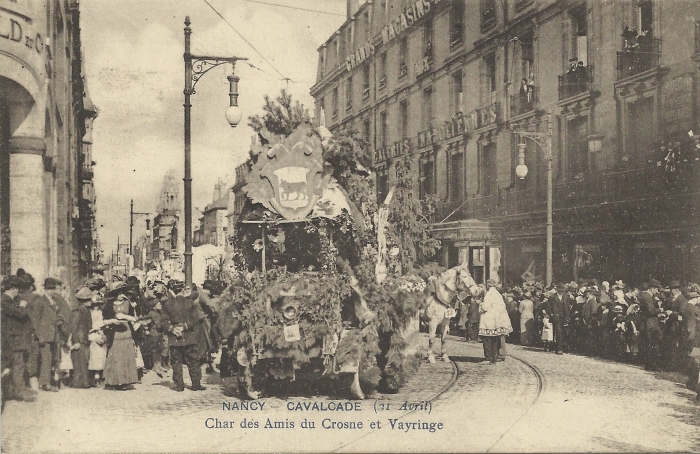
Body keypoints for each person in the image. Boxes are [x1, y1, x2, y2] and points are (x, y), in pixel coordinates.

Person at [162, 280, 207, 391]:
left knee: (176, 361)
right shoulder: (190, 303)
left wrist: (172, 329)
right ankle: (196, 384)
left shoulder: (167, 304)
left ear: (171, 290)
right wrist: (185, 327)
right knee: (193, 360)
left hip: (175, 336)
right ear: (182, 290)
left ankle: (179, 385)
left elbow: (163, 321)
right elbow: (195, 319)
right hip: (189, 335)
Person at [2, 275, 37, 402]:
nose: (18, 292)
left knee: (16, 365)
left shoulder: (10, 300)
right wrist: (22, 306)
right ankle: (19, 392)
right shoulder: (5, 301)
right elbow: (21, 314)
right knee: (17, 365)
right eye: (17, 289)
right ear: (12, 288)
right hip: (12, 340)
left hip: (15, 339)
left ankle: (13, 391)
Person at [102, 284, 139, 390]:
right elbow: (104, 320)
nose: (122, 295)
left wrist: (125, 317)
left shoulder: (128, 304)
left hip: (127, 333)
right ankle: (113, 382)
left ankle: (125, 382)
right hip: (115, 334)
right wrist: (113, 321)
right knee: (116, 358)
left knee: (127, 357)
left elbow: (135, 318)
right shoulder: (109, 305)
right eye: (119, 293)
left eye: (123, 293)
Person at [33, 277, 66, 392]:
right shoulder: (39, 302)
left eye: (53, 289)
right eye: (49, 289)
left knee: (56, 359)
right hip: (45, 335)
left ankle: (55, 381)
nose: (51, 291)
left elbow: (60, 313)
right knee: (46, 359)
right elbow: (36, 320)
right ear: (45, 289)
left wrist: (60, 319)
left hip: (55, 333)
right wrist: (39, 336)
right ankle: (44, 383)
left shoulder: (54, 301)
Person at [478, 279, 512, 364]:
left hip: (489, 320)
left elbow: (485, 307)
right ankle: (495, 358)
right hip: (497, 320)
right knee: (495, 339)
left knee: (487, 339)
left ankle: (488, 358)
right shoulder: (498, 294)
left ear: (488, 285)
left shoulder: (489, 294)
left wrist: (480, 304)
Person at [69, 287, 94, 388]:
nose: (90, 301)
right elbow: (73, 327)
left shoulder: (85, 310)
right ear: (83, 301)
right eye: (88, 299)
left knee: (84, 360)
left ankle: (83, 381)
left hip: (84, 338)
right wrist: (75, 341)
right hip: (80, 338)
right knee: (80, 361)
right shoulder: (78, 311)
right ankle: (79, 382)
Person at [639, 280, 663, 370]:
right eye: (656, 289)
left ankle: (649, 364)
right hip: (651, 323)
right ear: (652, 288)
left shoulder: (646, 296)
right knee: (653, 343)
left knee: (650, 344)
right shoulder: (648, 296)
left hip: (648, 322)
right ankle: (652, 364)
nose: (657, 291)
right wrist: (661, 309)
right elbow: (651, 311)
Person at [543, 283, 571, 355]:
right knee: (558, 332)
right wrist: (551, 314)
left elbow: (567, 307)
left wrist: (567, 316)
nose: (562, 292)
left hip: (564, 317)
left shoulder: (566, 297)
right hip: (556, 317)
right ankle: (559, 348)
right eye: (560, 290)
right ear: (557, 290)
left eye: (563, 291)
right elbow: (547, 306)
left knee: (563, 332)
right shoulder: (552, 297)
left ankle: (560, 347)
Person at [88, 293, 108, 383]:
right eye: (95, 305)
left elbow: (103, 323)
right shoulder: (90, 313)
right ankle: (95, 375)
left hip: (101, 332)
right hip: (93, 333)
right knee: (94, 355)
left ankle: (101, 374)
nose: (97, 306)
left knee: (102, 354)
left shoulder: (101, 313)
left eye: (98, 305)